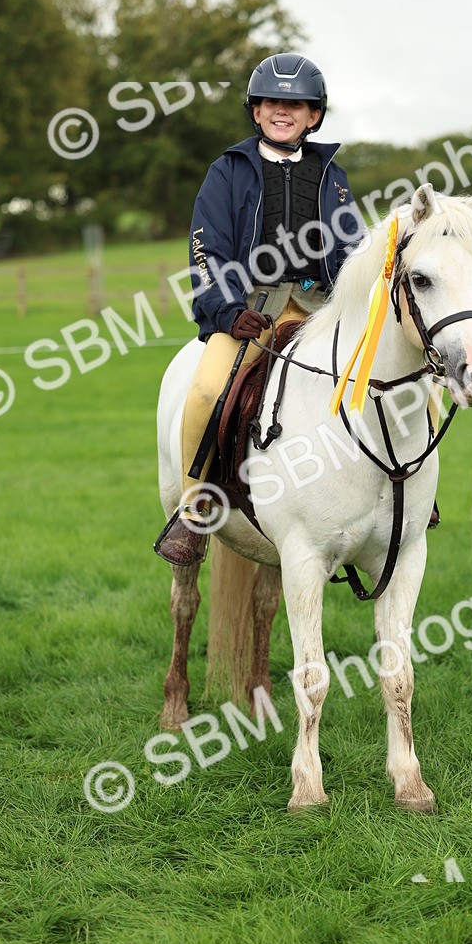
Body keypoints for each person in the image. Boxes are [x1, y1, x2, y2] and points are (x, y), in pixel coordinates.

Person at [155, 53, 362, 564]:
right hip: (251, 306)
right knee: (205, 391)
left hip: (320, 304)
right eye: (271, 101)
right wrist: (226, 312)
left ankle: (410, 487)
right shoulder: (227, 171)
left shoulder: (332, 177)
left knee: (392, 370)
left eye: (295, 104)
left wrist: (353, 304)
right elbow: (207, 251)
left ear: (314, 115)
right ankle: (194, 509)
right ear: (255, 110)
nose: (282, 110)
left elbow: (352, 251)